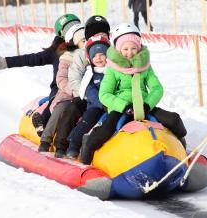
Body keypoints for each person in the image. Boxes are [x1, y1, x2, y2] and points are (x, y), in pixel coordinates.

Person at [80, 23, 187, 165]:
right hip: (121, 108)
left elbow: (157, 88)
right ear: (118, 49)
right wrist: (124, 106)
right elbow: (104, 94)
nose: (129, 52)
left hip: (143, 105)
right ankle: (86, 155)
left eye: (133, 48)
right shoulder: (113, 68)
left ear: (139, 48)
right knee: (103, 133)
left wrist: (147, 105)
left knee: (174, 120)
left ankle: (180, 149)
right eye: (125, 49)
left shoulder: (145, 67)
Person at [0, 13, 81, 135]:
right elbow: (31, 59)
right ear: (62, 34)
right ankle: (42, 124)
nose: (74, 30)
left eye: (76, 26)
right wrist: (7, 62)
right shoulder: (55, 52)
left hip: (82, 85)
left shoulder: (87, 46)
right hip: (60, 88)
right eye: (69, 28)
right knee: (55, 102)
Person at [51, 15, 111, 158]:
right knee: (73, 107)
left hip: (109, 97)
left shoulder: (111, 51)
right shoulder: (80, 54)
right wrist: (84, 94)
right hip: (83, 94)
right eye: (96, 34)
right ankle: (62, 144)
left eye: (104, 33)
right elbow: (75, 77)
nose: (100, 36)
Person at [38, 23, 87, 158]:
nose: (86, 43)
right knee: (61, 109)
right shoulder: (67, 58)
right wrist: (74, 91)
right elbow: (61, 80)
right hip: (67, 94)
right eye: (83, 41)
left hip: (84, 96)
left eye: (87, 40)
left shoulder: (93, 56)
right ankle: (46, 140)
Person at [66, 36, 110, 159]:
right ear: (89, 58)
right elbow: (89, 91)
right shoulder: (90, 73)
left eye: (102, 54)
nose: (98, 58)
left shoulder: (113, 71)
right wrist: (102, 104)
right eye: (95, 55)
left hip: (112, 106)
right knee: (87, 121)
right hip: (96, 106)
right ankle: (74, 146)